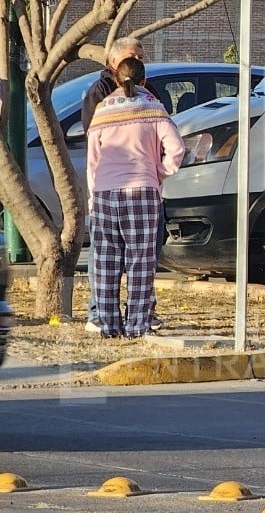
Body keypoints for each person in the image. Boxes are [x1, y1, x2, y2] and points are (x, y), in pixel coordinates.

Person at [86, 58, 185, 337]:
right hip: (143, 190)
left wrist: (93, 197)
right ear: (144, 80)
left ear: (116, 79)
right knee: (140, 261)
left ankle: (108, 325)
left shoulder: (102, 110)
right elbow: (177, 149)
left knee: (105, 261)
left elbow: (92, 161)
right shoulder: (154, 108)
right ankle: (137, 325)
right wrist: (160, 172)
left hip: (104, 192)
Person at [80, 37, 159, 333]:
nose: (137, 60)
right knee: (109, 256)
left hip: (134, 185)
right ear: (113, 62)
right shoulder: (100, 93)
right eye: (131, 56)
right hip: (118, 187)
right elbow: (93, 143)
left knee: (139, 255)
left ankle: (140, 314)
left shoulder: (149, 95)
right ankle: (100, 313)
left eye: (140, 56)